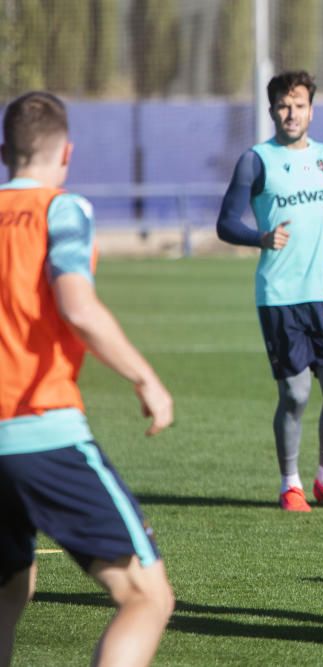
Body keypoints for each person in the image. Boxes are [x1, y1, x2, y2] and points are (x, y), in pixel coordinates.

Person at [0, 92, 175, 666]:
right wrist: (145, 377)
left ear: (5, 152)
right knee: (147, 597)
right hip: (40, 431)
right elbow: (75, 306)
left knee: (11, 584)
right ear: (66, 152)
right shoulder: (62, 209)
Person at [216, 70, 323, 512]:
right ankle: (290, 484)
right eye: (283, 106)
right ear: (272, 110)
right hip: (279, 296)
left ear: (312, 109)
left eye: (299, 105)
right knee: (295, 394)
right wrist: (260, 237)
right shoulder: (256, 161)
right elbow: (226, 223)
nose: (291, 113)